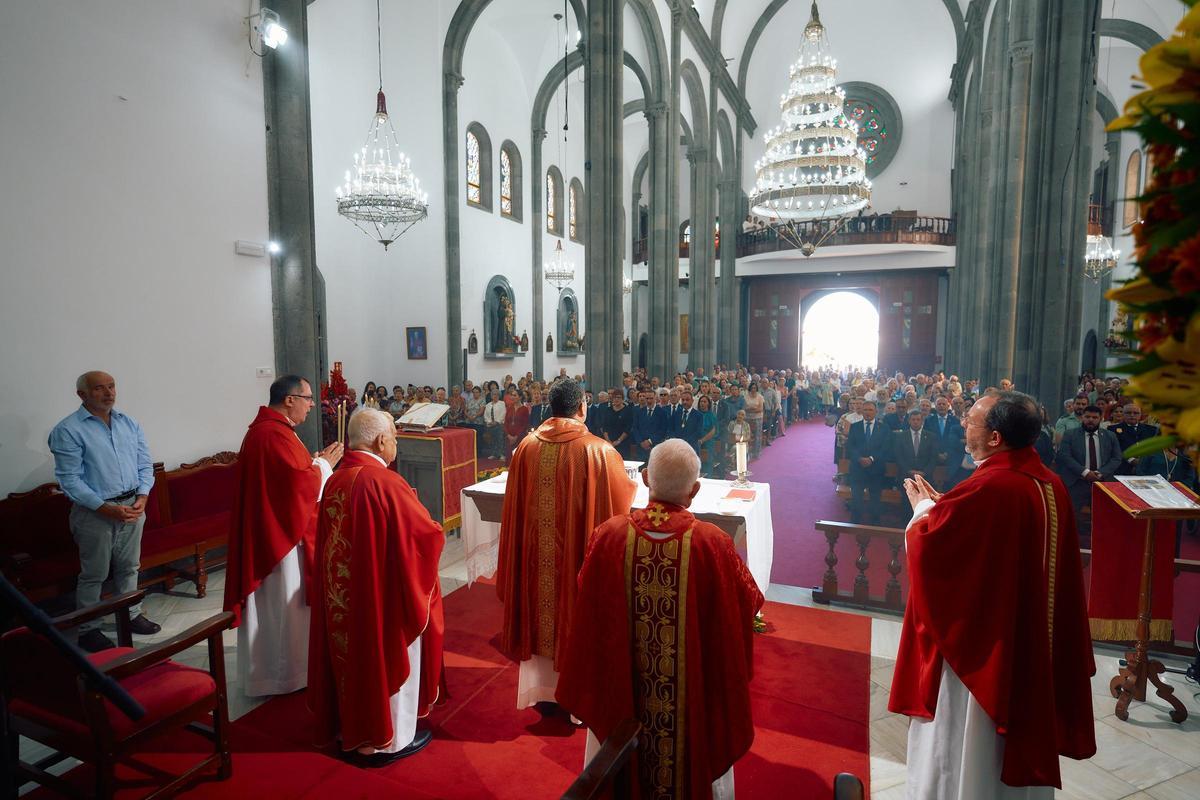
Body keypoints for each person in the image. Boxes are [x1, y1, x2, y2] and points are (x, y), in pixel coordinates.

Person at [891, 392, 1096, 797]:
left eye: (971, 420)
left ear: (995, 437)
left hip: (984, 650)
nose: (964, 425)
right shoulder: (1049, 483)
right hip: (1028, 641)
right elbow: (990, 542)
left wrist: (922, 510)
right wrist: (946, 505)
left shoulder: (991, 486)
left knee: (967, 755)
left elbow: (934, 551)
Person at [556, 440, 763, 799]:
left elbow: (587, 601)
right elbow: (747, 605)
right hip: (690, 706)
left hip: (620, 694)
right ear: (694, 490)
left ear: (646, 479)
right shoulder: (712, 544)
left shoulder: (608, 536)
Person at [308, 408, 444, 765]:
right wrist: (436, 530)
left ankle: (351, 730)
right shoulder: (385, 482)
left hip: (344, 599)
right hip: (380, 600)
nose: (395, 443)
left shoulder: (336, 479)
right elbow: (423, 536)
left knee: (350, 661)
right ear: (382, 441)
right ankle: (385, 741)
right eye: (394, 437)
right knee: (381, 658)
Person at [496, 378, 637, 711]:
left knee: (540, 605)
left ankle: (541, 692)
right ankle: (576, 698)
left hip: (535, 564)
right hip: (575, 562)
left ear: (551, 408)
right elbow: (620, 503)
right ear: (582, 408)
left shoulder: (526, 447)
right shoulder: (598, 451)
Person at [224, 374, 344, 697]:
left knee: (280, 611)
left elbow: (291, 475)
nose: (311, 406)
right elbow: (295, 486)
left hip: (276, 529)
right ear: (290, 400)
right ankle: (281, 676)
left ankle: (283, 671)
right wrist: (324, 466)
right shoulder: (271, 434)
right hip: (278, 540)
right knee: (280, 608)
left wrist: (313, 462)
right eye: (308, 399)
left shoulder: (275, 431)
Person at [48, 371, 160, 652]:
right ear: (82, 394)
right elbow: (70, 480)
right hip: (94, 513)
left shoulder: (128, 423)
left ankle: (131, 615)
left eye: (111, 386)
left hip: (132, 506)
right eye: (99, 388)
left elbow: (145, 465)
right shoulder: (68, 430)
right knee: (94, 574)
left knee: (130, 567)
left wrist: (143, 496)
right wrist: (106, 508)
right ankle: (89, 629)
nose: (109, 393)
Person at [1055, 405, 1123, 523]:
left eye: (1094, 417)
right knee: (1072, 519)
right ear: (1082, 417)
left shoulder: (1110, 436)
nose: (1090, 420)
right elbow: (1065, 456)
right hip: (1077, 482)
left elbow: (1116, 458)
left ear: (1101, 418)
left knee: (1103, 518)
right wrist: (1085, 472)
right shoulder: (1070, 435)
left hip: (1102, 482)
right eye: (1087, 417)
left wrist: (1100, 473)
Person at [846, 400, 890, 524]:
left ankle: (874, 522)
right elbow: (850, 447)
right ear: (862, 411)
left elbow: (886, 448)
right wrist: (859, 458)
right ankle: (855, 522)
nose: (867, 412)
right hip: (858, 468)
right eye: (865, 410)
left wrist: (871, 458)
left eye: (870, 410)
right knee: (856, 498)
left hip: (876, 469)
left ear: (876, 412)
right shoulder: (855, 426)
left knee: (875, 499)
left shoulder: (884, 428)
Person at [893, 409, 938, 511]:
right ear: (909, 421)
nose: (916, 422)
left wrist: (924, 472)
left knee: (924, 506)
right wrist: (909, 471)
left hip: (925, 477)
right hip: (906, 476)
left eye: (918, 419)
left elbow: (933, 457)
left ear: (922, 421)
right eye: (913, 419)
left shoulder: (931, 436)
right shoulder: (901, 436)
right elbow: (898, 456)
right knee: (906, 506)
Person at [604, 390, 635, 459]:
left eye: (618, 397)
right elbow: (605, 427)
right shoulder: (608, 410)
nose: (616, 399)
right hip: (609, 443)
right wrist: (608, 441)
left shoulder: (628, 411)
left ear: (622, 399)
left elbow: (628, 428)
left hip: (623, 443)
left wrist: (619, 440)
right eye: (614, 397)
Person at [483, 388, 506, 460]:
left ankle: (501, 454)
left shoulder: (502, 403)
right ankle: (493, 454)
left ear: (499, 396)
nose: (495, 396)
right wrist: (489, 422)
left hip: (499, 424)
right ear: (491, 396)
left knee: (499, 439)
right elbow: (485, 415)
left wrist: (496, 422)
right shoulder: (488, 405)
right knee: (492, 440)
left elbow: (503, 413)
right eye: (493, 394)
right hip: (490, 425)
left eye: (497, 394)